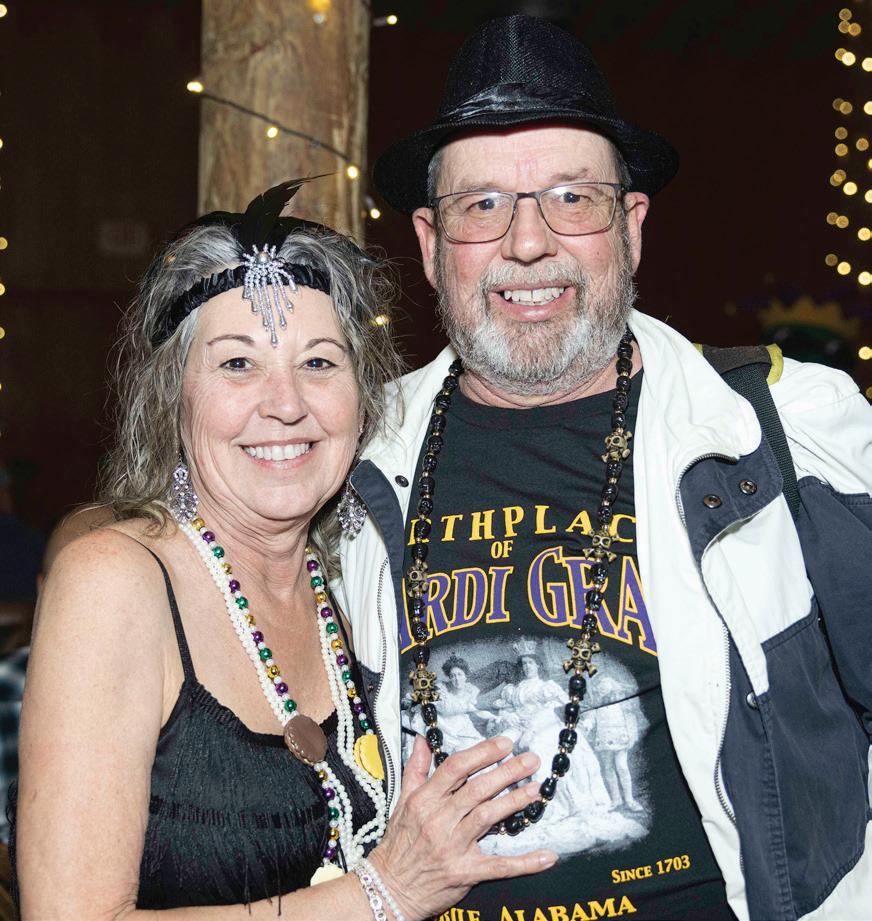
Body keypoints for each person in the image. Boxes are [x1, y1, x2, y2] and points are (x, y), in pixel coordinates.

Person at [337, 16, 872, 921]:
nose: (527, 242)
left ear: (631, 227)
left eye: (572, 198)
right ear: (429, 243)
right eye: (482, 205)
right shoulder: (348, 464)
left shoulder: (781, 431)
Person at [14, 180, 557, 918]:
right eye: (238, 364)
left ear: (363, 400)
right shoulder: (114, 581)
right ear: (174, 396)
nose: (286, 403)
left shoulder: (355, 578)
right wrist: (386, 893)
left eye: (319, 363)